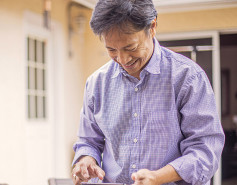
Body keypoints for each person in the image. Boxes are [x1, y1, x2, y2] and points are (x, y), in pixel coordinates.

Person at [71, 0, 225, 185]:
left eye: (131, 48)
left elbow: (206, 150)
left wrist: (158, 177)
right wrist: (86, 159)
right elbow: (88, 141)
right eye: (111, 50)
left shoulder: (188, 78)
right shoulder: (96, 83)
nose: (122, 59)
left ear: (152, 27)